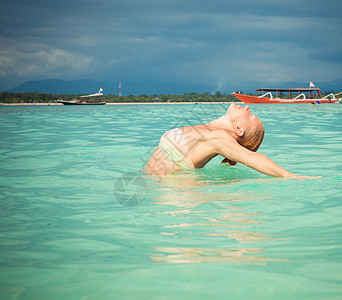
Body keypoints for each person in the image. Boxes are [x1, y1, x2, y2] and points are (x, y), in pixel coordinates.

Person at [145, 103, 317, 179]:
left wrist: (291, 176)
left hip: (176, 194)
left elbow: (252, 158)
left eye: (250, 115)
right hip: (158, 184)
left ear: (239, 130)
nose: (248, 107)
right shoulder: (208, 131)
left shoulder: (219, 138)